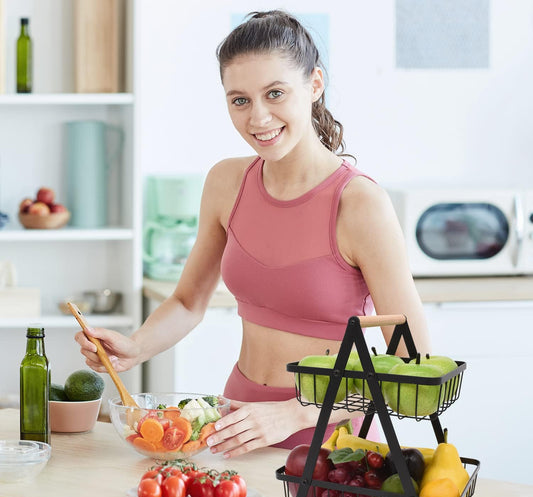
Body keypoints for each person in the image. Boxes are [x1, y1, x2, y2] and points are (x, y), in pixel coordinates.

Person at [74, 10, 431, 458]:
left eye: (275, 93)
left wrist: (297, 412)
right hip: (237, 420)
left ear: (314, 84)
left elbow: (410, 362)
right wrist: (135, 347)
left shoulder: (358, 204)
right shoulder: (227, 183)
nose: (258, 118)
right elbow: (188, 301)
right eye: (239, 100)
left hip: (330, 435)